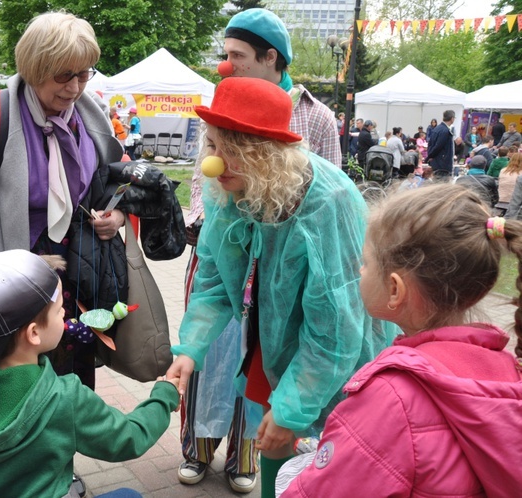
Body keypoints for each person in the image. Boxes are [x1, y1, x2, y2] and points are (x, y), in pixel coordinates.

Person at [166, 77, 395, 498]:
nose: (212, 165)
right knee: (272, 432)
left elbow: (335, 330)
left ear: (265, 155)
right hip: (270, 336)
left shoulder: (329, 203)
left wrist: (292, 407)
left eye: (229, 152)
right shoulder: (228, 188)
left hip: (337, 351)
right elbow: (215, 279)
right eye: (212, 147)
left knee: (338, 444)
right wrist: (191, 348)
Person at [280, 184, 522, 497]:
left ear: (395, 290)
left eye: (366, 262)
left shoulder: (389, 401)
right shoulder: (508, 370)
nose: (359, 268)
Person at [0, 11, 133, 398]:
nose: (75, 87)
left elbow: (115, 181)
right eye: (64, 75)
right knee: (22, 384)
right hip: (15, 280)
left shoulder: (88, 111)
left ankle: (65, 449)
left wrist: (115, 215)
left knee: (73, 380)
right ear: (34, 67)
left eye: (85, 74)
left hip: (78, 274)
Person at [0, 249, 179, 498]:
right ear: (33, 333)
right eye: (58, 310)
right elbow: (129, 438)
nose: (64, 313)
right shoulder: (64, 398)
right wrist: (164, 396)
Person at [222, 8, 340, 166]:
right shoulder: (222, 107)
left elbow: (333, 188)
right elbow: (200, 183)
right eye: (227, 55)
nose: (225, 66)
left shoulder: (318, 117)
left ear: (270, 57)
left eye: (237, 55)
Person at [425, 110, 455, 178]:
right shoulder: (445, 131)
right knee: (442, 185)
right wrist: (430, 156)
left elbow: (430, 144)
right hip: (443, 164)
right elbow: (438, 146)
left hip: (437, 162)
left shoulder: (437, 129)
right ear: (452, 118)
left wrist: (430, 156)